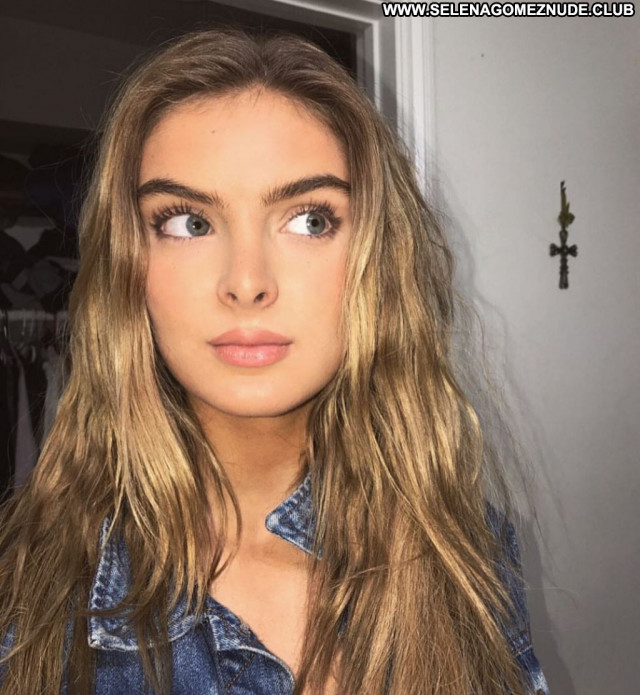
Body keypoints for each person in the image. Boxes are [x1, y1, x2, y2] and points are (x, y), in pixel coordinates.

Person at [0, 28, 549, 695]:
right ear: (127, 266)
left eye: (310, 220)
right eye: (188, 222)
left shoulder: (465, 548)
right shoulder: (25, 591)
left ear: (376, 259)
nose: (247, 282)